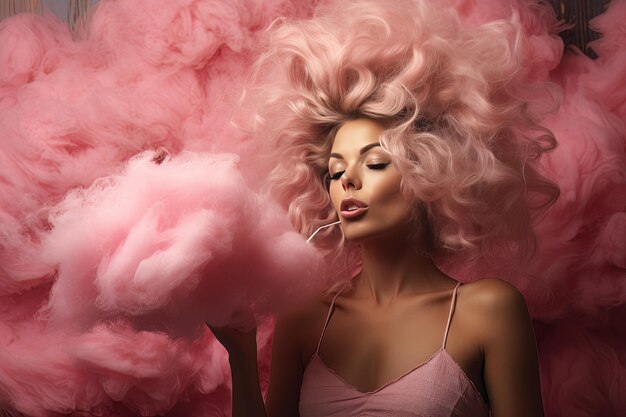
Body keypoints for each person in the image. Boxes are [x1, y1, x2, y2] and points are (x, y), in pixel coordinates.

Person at [210, 0, 559, 416]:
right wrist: (241, 355)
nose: (348, 183)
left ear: (430, 170)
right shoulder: (304, 318)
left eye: (374, 163)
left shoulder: (488, 310)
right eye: (335, 172)